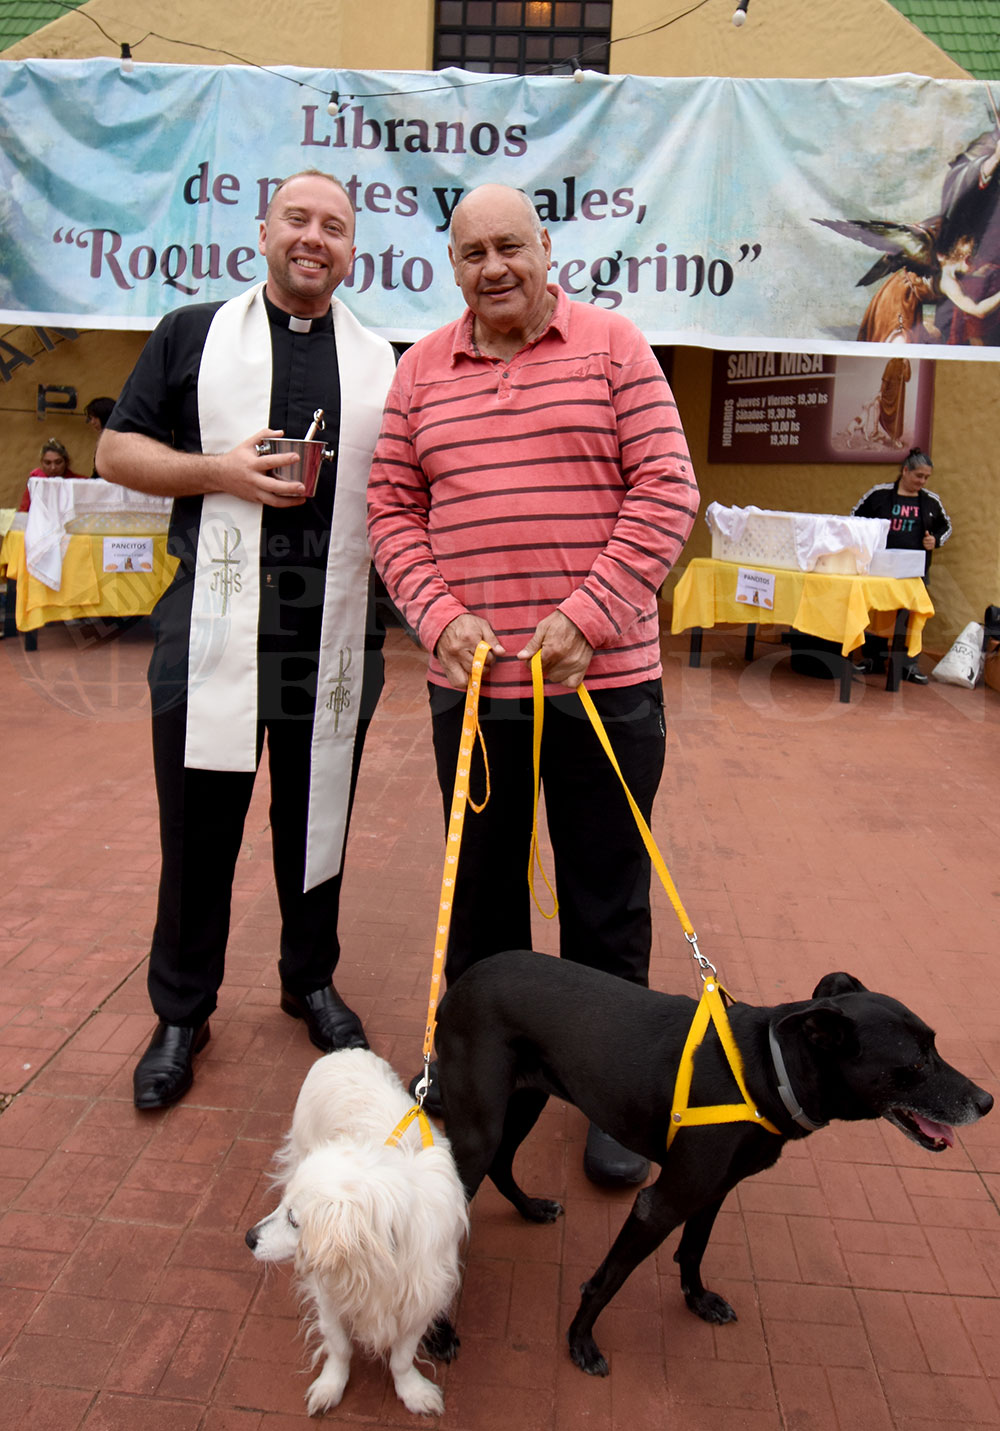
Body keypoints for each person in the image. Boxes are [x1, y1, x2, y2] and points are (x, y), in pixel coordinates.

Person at [367, 183, 699, 1186]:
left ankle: (615, 1088)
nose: (494, 267)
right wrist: (438, 615)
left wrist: (588, 615)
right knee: (480, 897)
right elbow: (391, 509)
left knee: (605, 898)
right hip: (474, 693)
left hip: (605, 685)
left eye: (510, 246)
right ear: (452, 266)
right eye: (472, 253)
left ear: (547, 249)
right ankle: (482, 1069)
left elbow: (667, 489)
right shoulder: (420, 370)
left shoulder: (615, 347)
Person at [98, 169, 396, 1110]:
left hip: (332, 633)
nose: (314, 238)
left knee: (318, 820)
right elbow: (115, 450)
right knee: (197, 831)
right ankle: (182, 1010)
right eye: (296, 220)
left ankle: (310, 977)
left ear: (352, 253)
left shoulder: (383, 362)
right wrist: (217, 471)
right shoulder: (192, 333)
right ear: (262, 234)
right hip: (210, 631)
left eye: (334, 227)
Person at [851, 446, 951, 684]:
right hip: (880, 568)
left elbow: (945, 526)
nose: (922, 481)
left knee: (911, 618)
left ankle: (907, 665)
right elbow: (855, 519)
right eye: (919, 476)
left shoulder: (930, 501)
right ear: (905, 471)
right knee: (877, 612)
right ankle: (872, 659)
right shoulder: (879, 494)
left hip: (914, 571)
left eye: (926, 477)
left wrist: (935, 540)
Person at [17, 438, 86, 511]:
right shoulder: (36, 483)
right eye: (48, 463)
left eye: (58, 462)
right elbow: (24, 510)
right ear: (42, 463)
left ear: (66, 462)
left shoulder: (80, 483)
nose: (53, 468)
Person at [85, 397, 117, 477]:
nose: (92, 422)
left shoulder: (116, 439)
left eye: (95, 417)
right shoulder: (104, 438)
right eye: (91, 418)